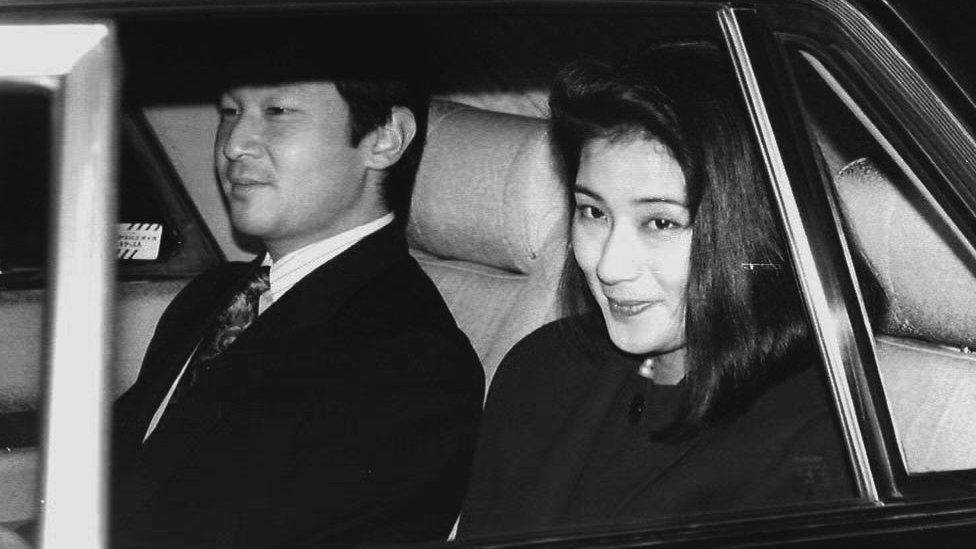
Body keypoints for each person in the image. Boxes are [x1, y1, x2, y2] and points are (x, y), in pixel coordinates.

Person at [459, 43, 878, 537]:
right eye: (593, 212)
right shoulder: (544, 368)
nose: (608, 265)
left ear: (753, 230)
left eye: (660, 222)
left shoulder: (821, 440)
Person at [109, 37, 485, 548]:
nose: (234, 143)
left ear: (384, 139)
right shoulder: (213, 295)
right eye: (229, 111)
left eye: (278, 111)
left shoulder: (412, 364)